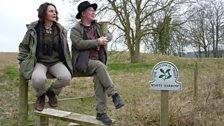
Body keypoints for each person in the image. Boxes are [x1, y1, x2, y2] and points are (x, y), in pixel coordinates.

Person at [70, 1, 124, 125]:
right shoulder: (75, 29)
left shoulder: (98, 26)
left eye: (93, 10)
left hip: (97, 63)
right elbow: (78, 43)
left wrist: (105, 38)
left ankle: (101, 113)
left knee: (99, 81)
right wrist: (97, 41)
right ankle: (114, 95)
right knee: (100, 66)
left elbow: (109, 34)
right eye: (90, 10)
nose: (93, 12)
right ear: (83, 14)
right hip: (82, 62)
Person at [17, 2, 73, 111]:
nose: (54, 13)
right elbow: (23, 46)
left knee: (66, 77)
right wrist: (21, 61)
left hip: (56, 61)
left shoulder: (60, 30)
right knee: (38, 79)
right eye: (51, 11)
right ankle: (41, 95)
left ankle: (51, 92)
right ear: (43, 13)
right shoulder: (34, 29)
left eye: (55, 11)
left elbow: (65, 48)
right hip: (39, 62)